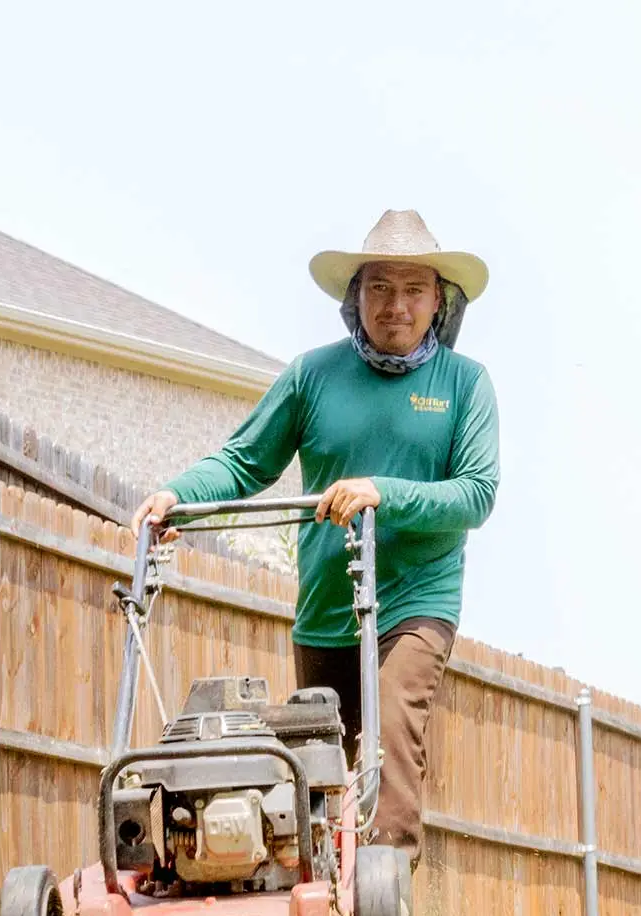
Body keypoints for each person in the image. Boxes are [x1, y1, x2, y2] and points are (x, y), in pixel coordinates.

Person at [129, 209, 500, 869]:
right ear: (355, 299)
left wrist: (384, 491)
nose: (395, 305)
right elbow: (244, 462)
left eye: (414, 289)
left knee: (388, 742)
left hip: (416, 601)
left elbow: (475, 494)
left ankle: (387, 893)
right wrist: (176, 496)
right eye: (379, 287)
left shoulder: (464, 385)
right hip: (327, 606)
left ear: (440, 301)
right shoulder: (312, 376)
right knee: (314, 771)